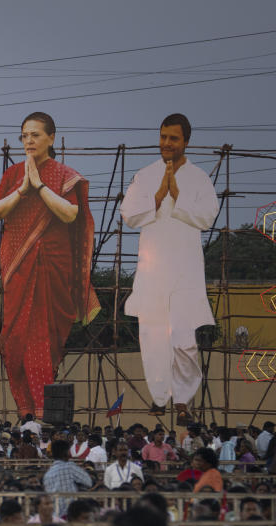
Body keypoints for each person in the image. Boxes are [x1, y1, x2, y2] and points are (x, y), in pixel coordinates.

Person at [0, 112, 100, 419]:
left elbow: (70, 214)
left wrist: (40, 187)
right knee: (12, 342)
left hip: (52, 266)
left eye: (35, 135)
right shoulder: (13, 175)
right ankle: (26, 410)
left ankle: (41, 412)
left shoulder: (65, 175)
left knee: (41, 340)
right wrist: (23, 189)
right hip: (17, 265)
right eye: (24, 135)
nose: (29, 141)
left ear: (51, 138)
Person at [120, 114, 219, 425]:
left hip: (186, 271)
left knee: (183, 340)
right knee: (152, 337)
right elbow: (129, 215)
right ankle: (160, 396)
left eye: (173, 138)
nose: (166, 143)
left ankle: (183, 400)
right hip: (153, 270)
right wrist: (159, 195)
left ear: (186, 142)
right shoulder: (145, 175)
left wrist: (177, 193)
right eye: (163, 137)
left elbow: (207, 218)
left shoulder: (200, 178)